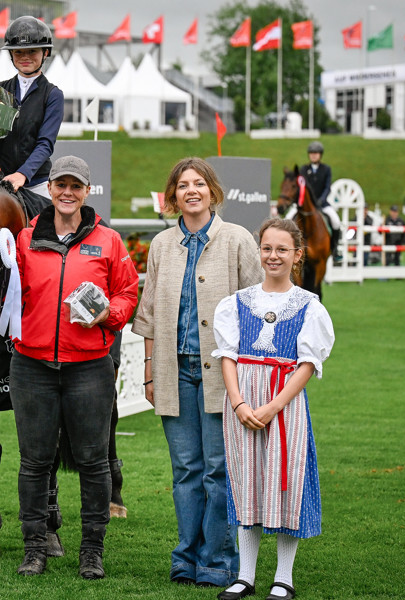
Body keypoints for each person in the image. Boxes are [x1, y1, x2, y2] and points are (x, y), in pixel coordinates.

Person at [132, 157, 263, 588]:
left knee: (218, 471)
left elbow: (258, 310)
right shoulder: (161, 246)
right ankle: (185, 557)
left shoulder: (237, 241)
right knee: (185, 471)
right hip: (174, 372)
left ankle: (217, 561)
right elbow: (148, 315)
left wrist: (249, 377)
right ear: (173, 196)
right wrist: (150, 373)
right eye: (182, 185)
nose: (191, 191)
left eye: (199, 183)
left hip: (223, 377)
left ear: (212, 191)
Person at [10, 156, 139, 579]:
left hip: (89, 367)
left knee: (93, 461)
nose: (68, 192)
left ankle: (92, 550)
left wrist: (108, 316)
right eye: (60, 185)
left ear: (87, 191)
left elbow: (126, 293)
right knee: (34, 462)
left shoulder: (108, 241)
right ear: (50, 189)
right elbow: (8, 295)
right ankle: (34, 547)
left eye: (76, 186)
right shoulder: (26, 240)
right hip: (32, 364)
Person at [213, 218, 334, 600]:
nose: (273, 256)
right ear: (258, 251)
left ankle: (284, 577)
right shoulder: (236, 303)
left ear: (298, 255)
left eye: (283, 249)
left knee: (284, 482)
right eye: (267, 248)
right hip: (243, 402)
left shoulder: (309, 306)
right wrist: (239, 402)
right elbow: (228, 356)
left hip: (284, 403)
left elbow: (307, 364)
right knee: (246, 479)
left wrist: (274, 406)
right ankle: (244, 575)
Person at [0, 15, 64, 219]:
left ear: (45, 52)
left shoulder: (53, 96)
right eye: (18, 52)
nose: (25, 56)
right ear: (11, 55)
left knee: (58, 232)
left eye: (32, 51)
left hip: (36, 184)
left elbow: (45, 144)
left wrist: (23, 174)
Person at [298, 141, 342, 258]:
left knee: (336, 221)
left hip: (322, 204)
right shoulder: (304, 169)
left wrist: (321, 200)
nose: (313, 155)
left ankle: (335, 248)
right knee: (288, 220)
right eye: (311, 153)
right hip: (305, 204)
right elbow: (301, 188)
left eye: (316, 153)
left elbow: (327, 187)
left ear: (320, 155)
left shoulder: (326, 169)